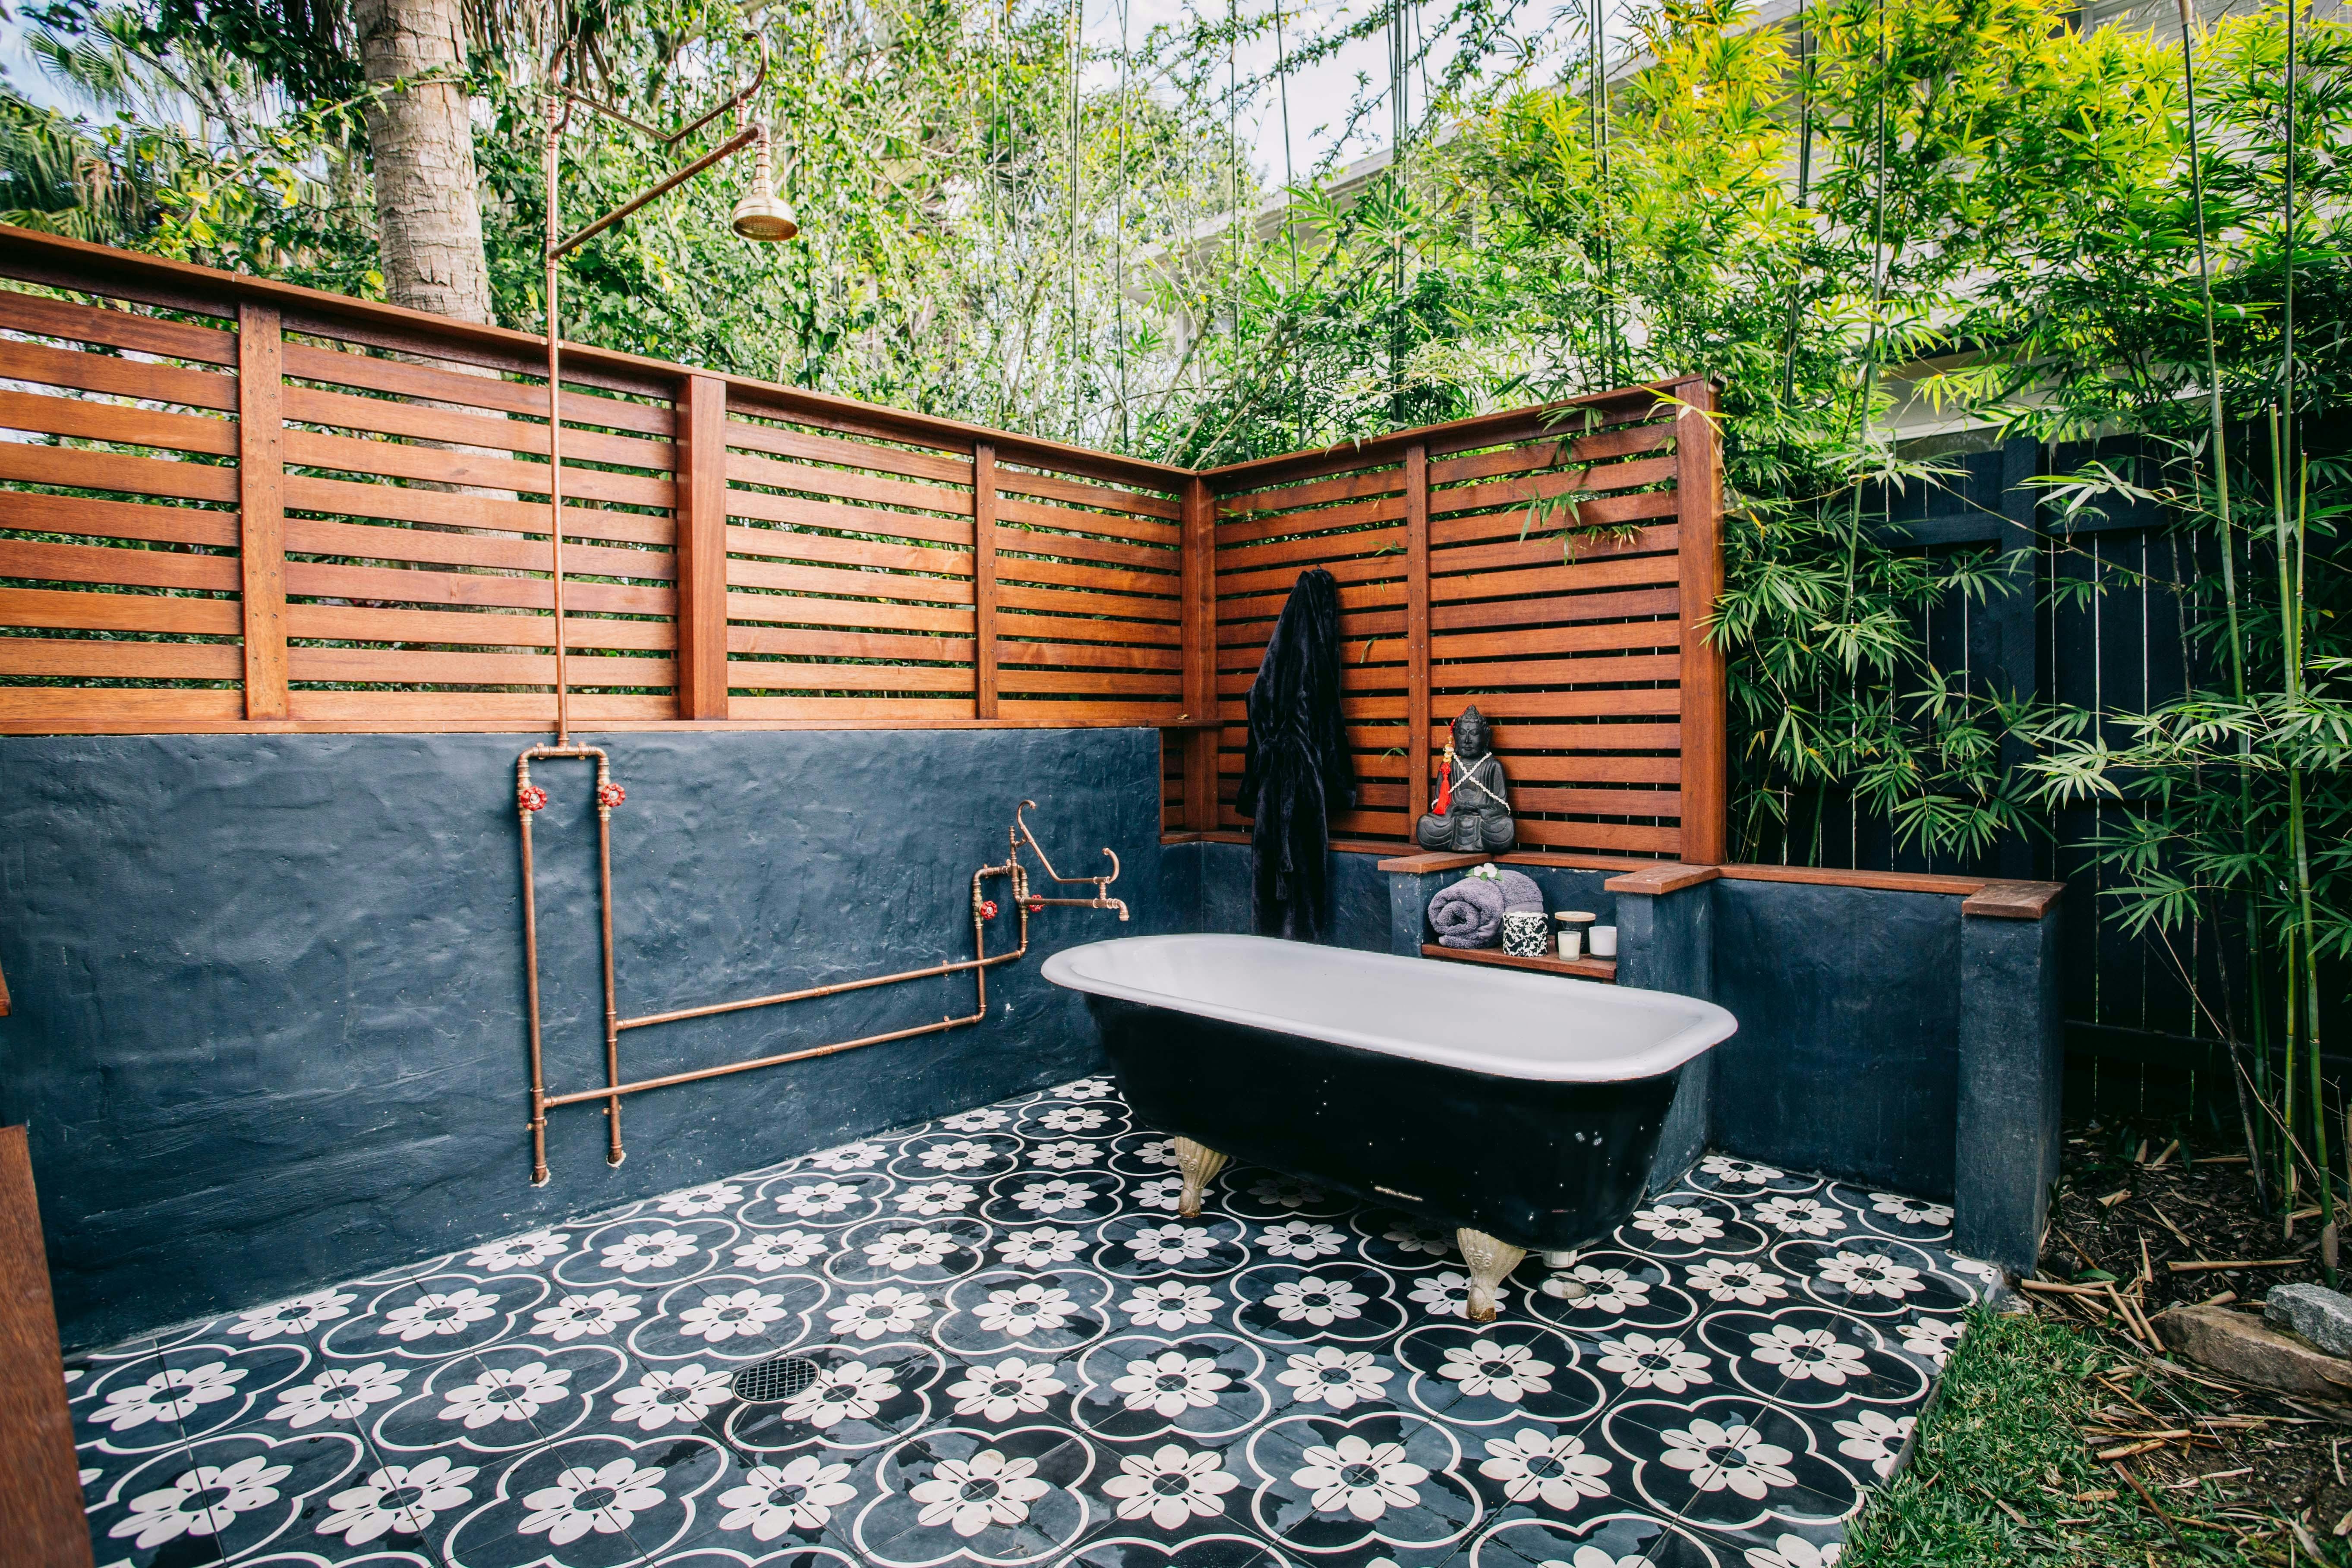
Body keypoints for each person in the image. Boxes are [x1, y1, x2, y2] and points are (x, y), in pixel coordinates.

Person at [1416, 704, 1514, 852]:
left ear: (1486, 737)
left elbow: (1502, 807)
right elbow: (1439, 805)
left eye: (1474, 734)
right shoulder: (1449, 765)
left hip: (1482, 821)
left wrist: (1480, 810)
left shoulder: (1493, 766)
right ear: (1455, 736)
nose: (1467, 740)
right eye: (1462, 733)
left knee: (1506, 825)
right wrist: (1455, 809)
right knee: (1425, 824)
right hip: (1453, 820)